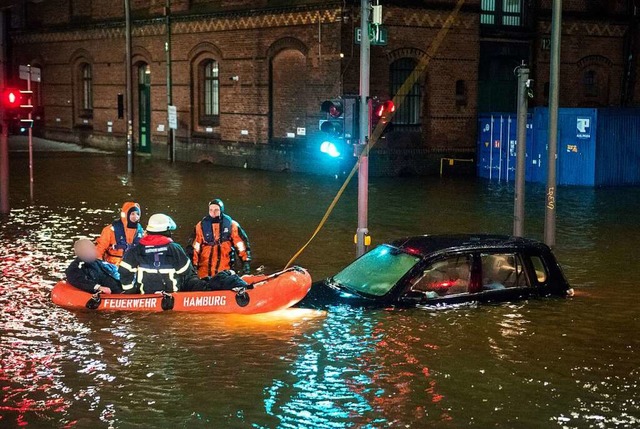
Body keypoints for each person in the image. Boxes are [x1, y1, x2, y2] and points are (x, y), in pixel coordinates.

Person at [119, 214, 249, 294]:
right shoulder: (174, 249)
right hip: (175, 293)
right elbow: (187, 273)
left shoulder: (135, 251)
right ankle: (239, 284)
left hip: (145, 295)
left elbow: (124, 273)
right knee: (214, 280)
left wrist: (131, 292)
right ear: (167, 230)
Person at [191, 199, 252, 278]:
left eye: (216, 210)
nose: (213, 212)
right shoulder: (200, 226)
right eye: (211, 210)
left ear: (221, 210)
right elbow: (194, 248)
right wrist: (193, 266)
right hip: (204, 271)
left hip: (225, 269)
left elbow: (241, 245)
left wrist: (246, 262)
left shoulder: (231, 225)